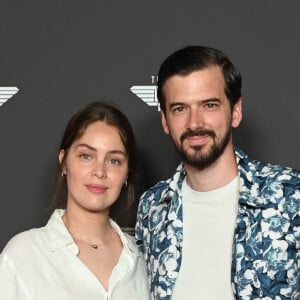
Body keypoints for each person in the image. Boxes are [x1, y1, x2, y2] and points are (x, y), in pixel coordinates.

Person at [135, 45, 300, 300]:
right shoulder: (153, 207)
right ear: (165, 121)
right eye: (180, 109)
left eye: (209, 105)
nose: (194, 123)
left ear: (235, 111)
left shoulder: (291, 196)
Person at [0, 102, 150, 299]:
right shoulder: (23, 256)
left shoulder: (144, 260)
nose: (99, 171)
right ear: (64, 162)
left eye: (114, 160)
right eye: (86, 156)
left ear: (126, 174)